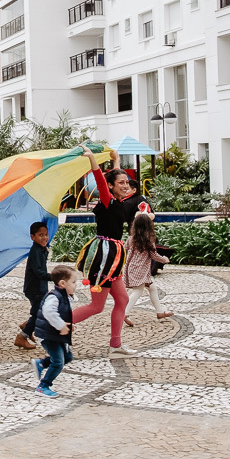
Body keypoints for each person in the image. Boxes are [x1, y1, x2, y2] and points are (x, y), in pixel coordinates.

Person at [71, 145, 152, 358]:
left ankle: (115, 345)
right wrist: (92, 160)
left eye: (127, 182)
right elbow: (101, 180)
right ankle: (57, 323)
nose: (126, 185)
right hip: (105, 256)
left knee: (122, 300)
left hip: (113, 257)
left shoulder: (117, 201)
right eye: (121, 183)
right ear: (111, 186)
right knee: (96, 306)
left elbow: (111, 179)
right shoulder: (107, 200)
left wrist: (116, 160)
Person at [32, 265, 80, 397]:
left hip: (56, 334)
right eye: (73, 282)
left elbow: (62, 313)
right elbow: (49, 312)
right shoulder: (54, 297)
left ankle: (41, 363)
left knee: (67, 357)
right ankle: (43, 386)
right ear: (62, 283)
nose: (76, 285)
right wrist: (61, 325)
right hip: (48, 335)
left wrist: (68, 325)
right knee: (58, 362)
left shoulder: (66, 296)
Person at [123, 212, 173, 326]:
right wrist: (164, 259)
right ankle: (125, 313)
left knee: (152, 288)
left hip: (132, 268)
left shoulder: (131, 239)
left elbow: (124, 250)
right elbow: (154, 255)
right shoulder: (148, 240)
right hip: (140, 270)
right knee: (138, 291)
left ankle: (160, 312)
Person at [15, 221, 51, 349]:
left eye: (46, 235)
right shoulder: (36, 251)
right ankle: (22, 336)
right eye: (40, 235)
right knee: (39, 314)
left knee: (39, 311)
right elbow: (38, 272)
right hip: (35, 289)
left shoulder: (41, 249)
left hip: (39, 288)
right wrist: (53, 277)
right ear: (32, 237)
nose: (44, 238)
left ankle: (27, 325)